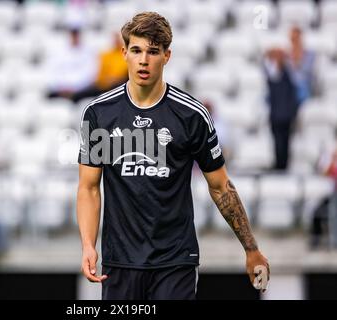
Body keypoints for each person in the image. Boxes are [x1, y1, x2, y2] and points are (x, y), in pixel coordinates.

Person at [77, 12, 270, 300]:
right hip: (119, 262)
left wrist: (251, 248)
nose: (144, 60)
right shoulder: (99, 114)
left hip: (175, 261)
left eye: (153, 52)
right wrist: (88, 245)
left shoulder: (192, 115)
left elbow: (221, 187)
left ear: (167, 56)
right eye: (137, 50)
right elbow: (89, 187)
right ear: (124, 53)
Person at [263, 26, 316, 170]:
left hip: (290, 108)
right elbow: (270, 73)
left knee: (285, 141)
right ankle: (280, 165)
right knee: (278, 141)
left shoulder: (303, 58)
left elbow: (300, 80)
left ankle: (284, 166)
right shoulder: (278, 68)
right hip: (280, 111)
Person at [71, 32, 128, 103]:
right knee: (78, 96)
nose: (116, 40)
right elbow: (98, 73)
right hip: (102, 85)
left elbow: (123, 75)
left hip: (117, 86)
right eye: (115, 38)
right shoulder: (105, 54)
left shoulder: (126, 55)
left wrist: (113, 79)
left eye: (118, 38)